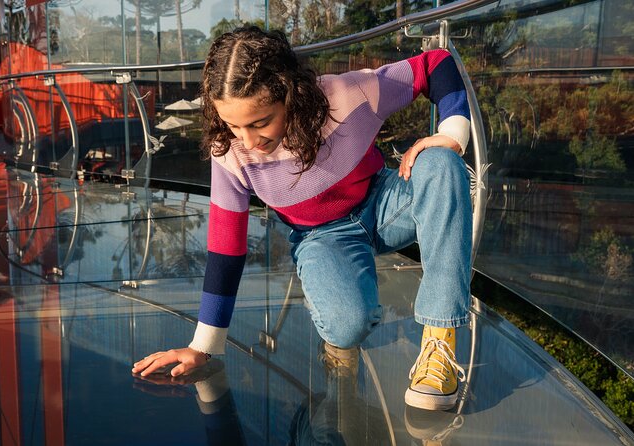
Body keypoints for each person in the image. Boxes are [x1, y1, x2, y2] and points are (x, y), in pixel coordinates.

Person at [132, 25, 471, 412]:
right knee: (348, 326)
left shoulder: (348, 95)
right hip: (321, 237)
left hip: (385, 203)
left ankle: (439, 342)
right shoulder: (229, 153)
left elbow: (435, 63)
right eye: (233, 124)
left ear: (291, 94)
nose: (248, 140)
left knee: (442, 162)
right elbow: (226, 250)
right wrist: (202, 348)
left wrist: (452, 132)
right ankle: (339, 340)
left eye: (260, 122)